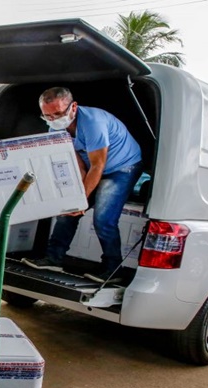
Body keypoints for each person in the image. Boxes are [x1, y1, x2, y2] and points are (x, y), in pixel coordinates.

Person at [23, 87, 143, 283]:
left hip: (121, 166)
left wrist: (83, 199)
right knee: (67, 211)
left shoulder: (93, 123)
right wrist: (76, 198)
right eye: (48, 116)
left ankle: (113, 269)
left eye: (59, 113)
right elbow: (75, 161)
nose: (54, 119)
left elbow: (98, 165)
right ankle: (53, 258)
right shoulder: (54, 127)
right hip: (92, 165)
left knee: (103, 219)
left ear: (74, 107)